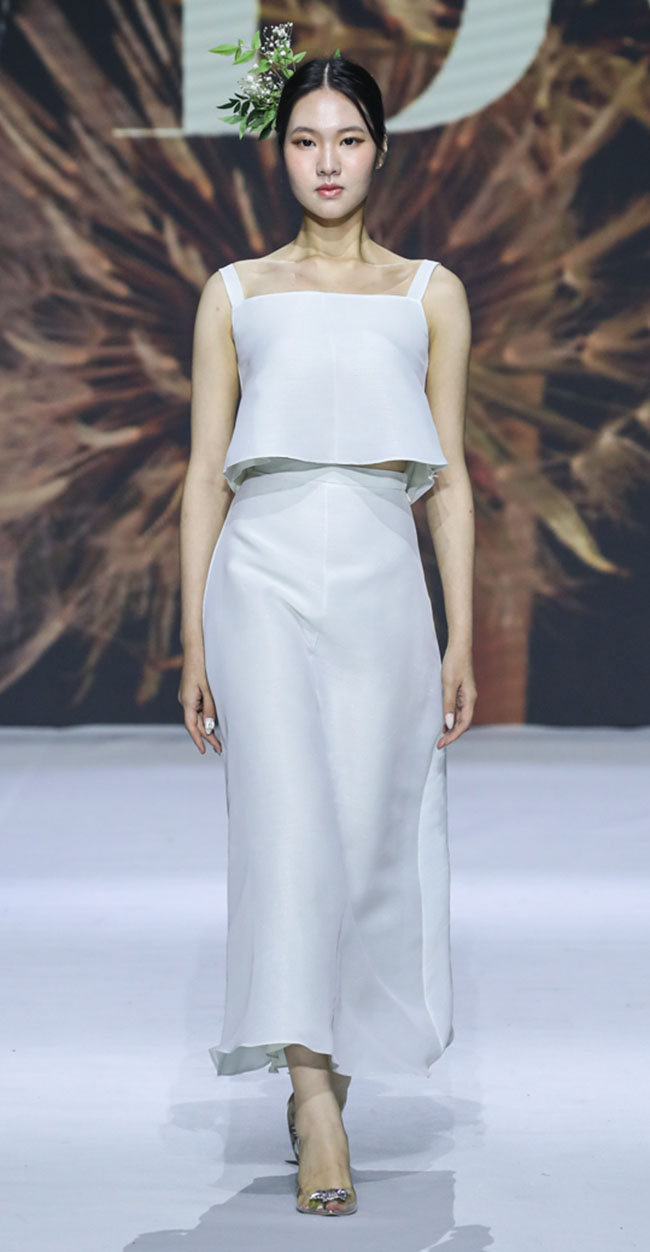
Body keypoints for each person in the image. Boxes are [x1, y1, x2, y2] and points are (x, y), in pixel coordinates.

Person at [177, 37, 476, 1218]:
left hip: (379, 574)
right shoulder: (235, 292)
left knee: (362, 830)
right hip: (259, 571)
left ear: (378, 151)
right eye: (305, 140)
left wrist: (459, 633)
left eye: (347, 138)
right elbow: (203, 473)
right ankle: (314, 1105)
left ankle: (329, 1072)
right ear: (280, 155)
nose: (327, 160)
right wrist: (192, 636)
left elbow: (447, 479)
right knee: (288, 825)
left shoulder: (427, 292)